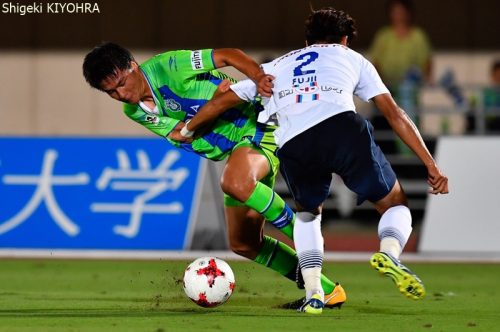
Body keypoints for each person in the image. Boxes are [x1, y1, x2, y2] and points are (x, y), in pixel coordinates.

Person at [176, 7, 449, 314]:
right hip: (341, 127)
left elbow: (222, 101)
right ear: (344, 40)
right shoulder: (354, 58)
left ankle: (315, 292)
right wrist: (431, 164)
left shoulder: (276, 66)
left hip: (295, 142)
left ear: (306, 42)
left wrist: (188, 128)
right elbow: (394, 113)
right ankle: (389, 252)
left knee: (308, 215)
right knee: (394, 202)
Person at [82, 43, 346, 309]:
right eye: (111, 92)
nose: (121, 94)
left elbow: (227, 55)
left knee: (234, 182)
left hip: (257, 124)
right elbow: (179, 133)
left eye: (121, 83)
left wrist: (257, 79)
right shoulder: (134, 110)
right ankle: (326, 289)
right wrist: (213, 106)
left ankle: (305, 236)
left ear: (132, 66)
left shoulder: (168, 66)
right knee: (243, 243)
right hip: (236, 151)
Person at [369, 0, 432, 154]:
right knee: (386, 128)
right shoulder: (383, 36)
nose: (399, 15)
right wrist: (381, 85)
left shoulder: (418, 36)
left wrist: (420, 79)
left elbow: (426, 63)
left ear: (408, 13)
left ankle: (409, 160)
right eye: (395, 11)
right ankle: (391, 160)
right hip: (387, 90)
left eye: (401, 11)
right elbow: (375, 63)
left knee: (408, 123)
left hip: (408, 92)